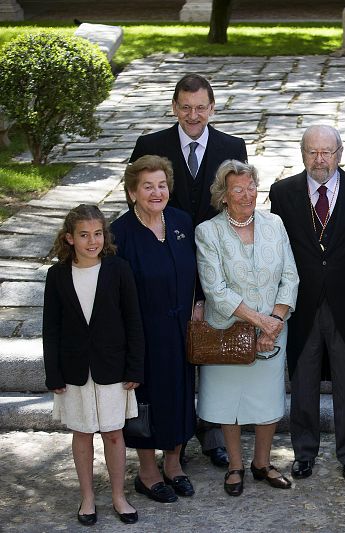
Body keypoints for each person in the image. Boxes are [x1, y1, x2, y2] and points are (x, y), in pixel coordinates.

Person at [131, 73, 248, 469]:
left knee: (212, 356)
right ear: (175, 107)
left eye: (201, 107)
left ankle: (212, 433)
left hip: (218, 268)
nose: (193, 115)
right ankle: (166, 439)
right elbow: (140, 199)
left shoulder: (233, 146)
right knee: (171, 359)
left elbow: (237, 204)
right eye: (186, 107)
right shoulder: (150, 145)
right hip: (167, 268)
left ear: (212, 108)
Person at [269, 125, 345, 482]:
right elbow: (277, 248)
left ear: (339, 154)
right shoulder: (282, 193)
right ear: (303, 154)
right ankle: (304, 453)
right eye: (313, 151)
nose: (320, 159)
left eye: (327, 152)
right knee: (303, 378)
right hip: (302, 301)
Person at [195, 160, 299, 497]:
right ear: (223, 196)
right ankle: (236, 465)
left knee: (268, 401)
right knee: (230, 402)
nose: (246, 195)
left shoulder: (276, 223)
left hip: (273, 330)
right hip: (229, 332)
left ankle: (262, 463)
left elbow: (291, 276)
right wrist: (260, 322)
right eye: (237, 189)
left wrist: (276, 322)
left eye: (251, 187)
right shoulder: (208, 231)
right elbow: (216, 290)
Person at [43, 204, 144, 525]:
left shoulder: (119, 270)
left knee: (114, 433)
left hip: (113, 368)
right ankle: (87, 498)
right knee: (83, 433)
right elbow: (51, 328)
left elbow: (133, 322)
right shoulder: (57, 276)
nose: (92, 241)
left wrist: (134, 367)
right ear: (69, 238)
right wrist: (53, 373)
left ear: (105, 236)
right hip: (74, 371)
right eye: (84, 235)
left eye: (98, 234)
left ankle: (118, 495)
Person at [112, 155, 198, 503]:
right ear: (132, 192)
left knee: (179, 397)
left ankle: (174, 465)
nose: (156, 192)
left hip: (181, 331)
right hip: (143, 336)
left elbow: (198, 270)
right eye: (147, 186)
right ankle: (147, 473)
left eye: (162, 185)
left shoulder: (181, 222)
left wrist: (201, 303)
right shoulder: (119, 233)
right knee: (146, 402)